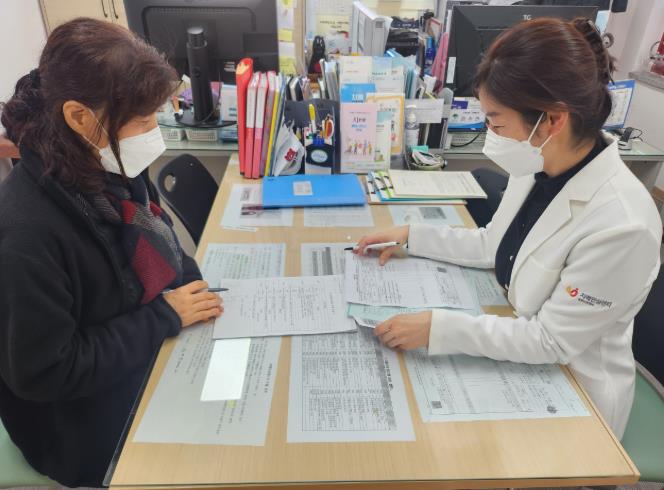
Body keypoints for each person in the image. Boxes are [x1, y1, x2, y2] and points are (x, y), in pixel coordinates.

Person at [356, 18, 662, 438]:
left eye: (497, 124)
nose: (491, 135)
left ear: (552, 120)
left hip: (576, 393)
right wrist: (412, 236)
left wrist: (437, 329)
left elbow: (550, 341)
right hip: (523, 356)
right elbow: (492, 245)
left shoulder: (623, 223)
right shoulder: (540, 162)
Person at [0, 18, 223, 486]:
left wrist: (194, 291)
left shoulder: (110, 165)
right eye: (142, 120)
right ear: (80, 117)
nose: (152, 131)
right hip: (78, 428)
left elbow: (164, 245)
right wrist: (165, 316)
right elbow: (46, 372)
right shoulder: (25, 234)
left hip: (142, 357)